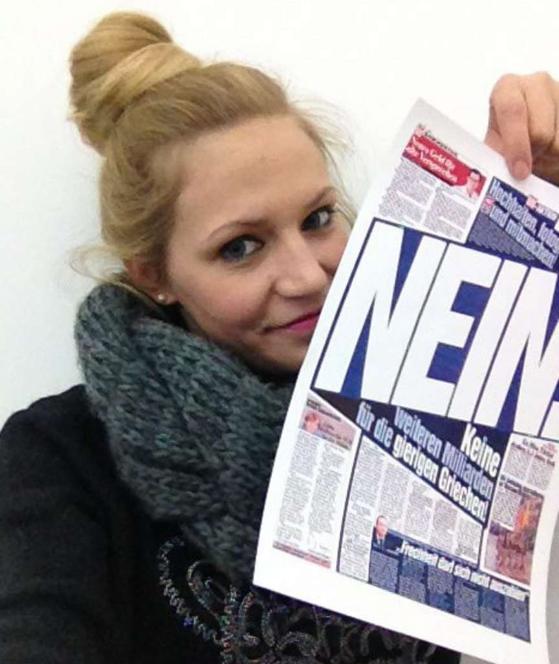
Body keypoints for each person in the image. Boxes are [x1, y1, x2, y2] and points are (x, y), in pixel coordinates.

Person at [1, 10, 559, 664]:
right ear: (155, 275)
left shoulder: (448, 398)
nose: (307, 276)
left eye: (318, 218)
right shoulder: (59, 458)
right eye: (240, 247)